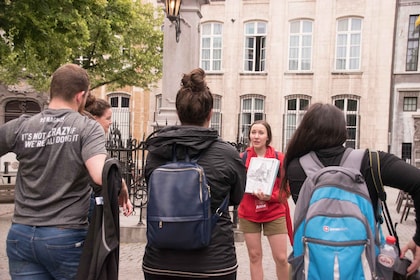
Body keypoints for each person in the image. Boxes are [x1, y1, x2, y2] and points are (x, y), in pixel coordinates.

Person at [0, 63, 129, 279]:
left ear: (53, 91)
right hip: (64, 236)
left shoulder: (22, 126)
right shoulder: (86, 127)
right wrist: (121, 183)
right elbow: (100, 174)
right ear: (81, 96)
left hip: (21, 233)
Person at [282, 102, 420, 276]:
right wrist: (418, 238)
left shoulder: (296, 167)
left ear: (306, 130)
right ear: (343, 131)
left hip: (313, 266)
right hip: (364, 265)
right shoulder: (372, 161)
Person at [142, 68, 246, 280]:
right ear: (210, 113)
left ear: (178, 113)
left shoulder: (156, 152)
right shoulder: (227, 154)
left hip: (160, 263)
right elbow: (237, 197)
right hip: (214, 263)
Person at [238, 120, 293, 280]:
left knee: (281, 258)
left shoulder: (279, 158)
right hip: (249, 213)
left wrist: (272, 196)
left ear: (267, 137)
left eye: (260, 133)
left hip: (274, 212)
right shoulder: (242, 158)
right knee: (255, 257)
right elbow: (236, 187)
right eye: (253, 132)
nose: (256, 136)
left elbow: (287, 189)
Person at [83, 95, 133, 219]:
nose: (111, 122)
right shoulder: (91, 138)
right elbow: (101, 174)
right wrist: (121, 185)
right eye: (108, 118)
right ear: (95, 119)